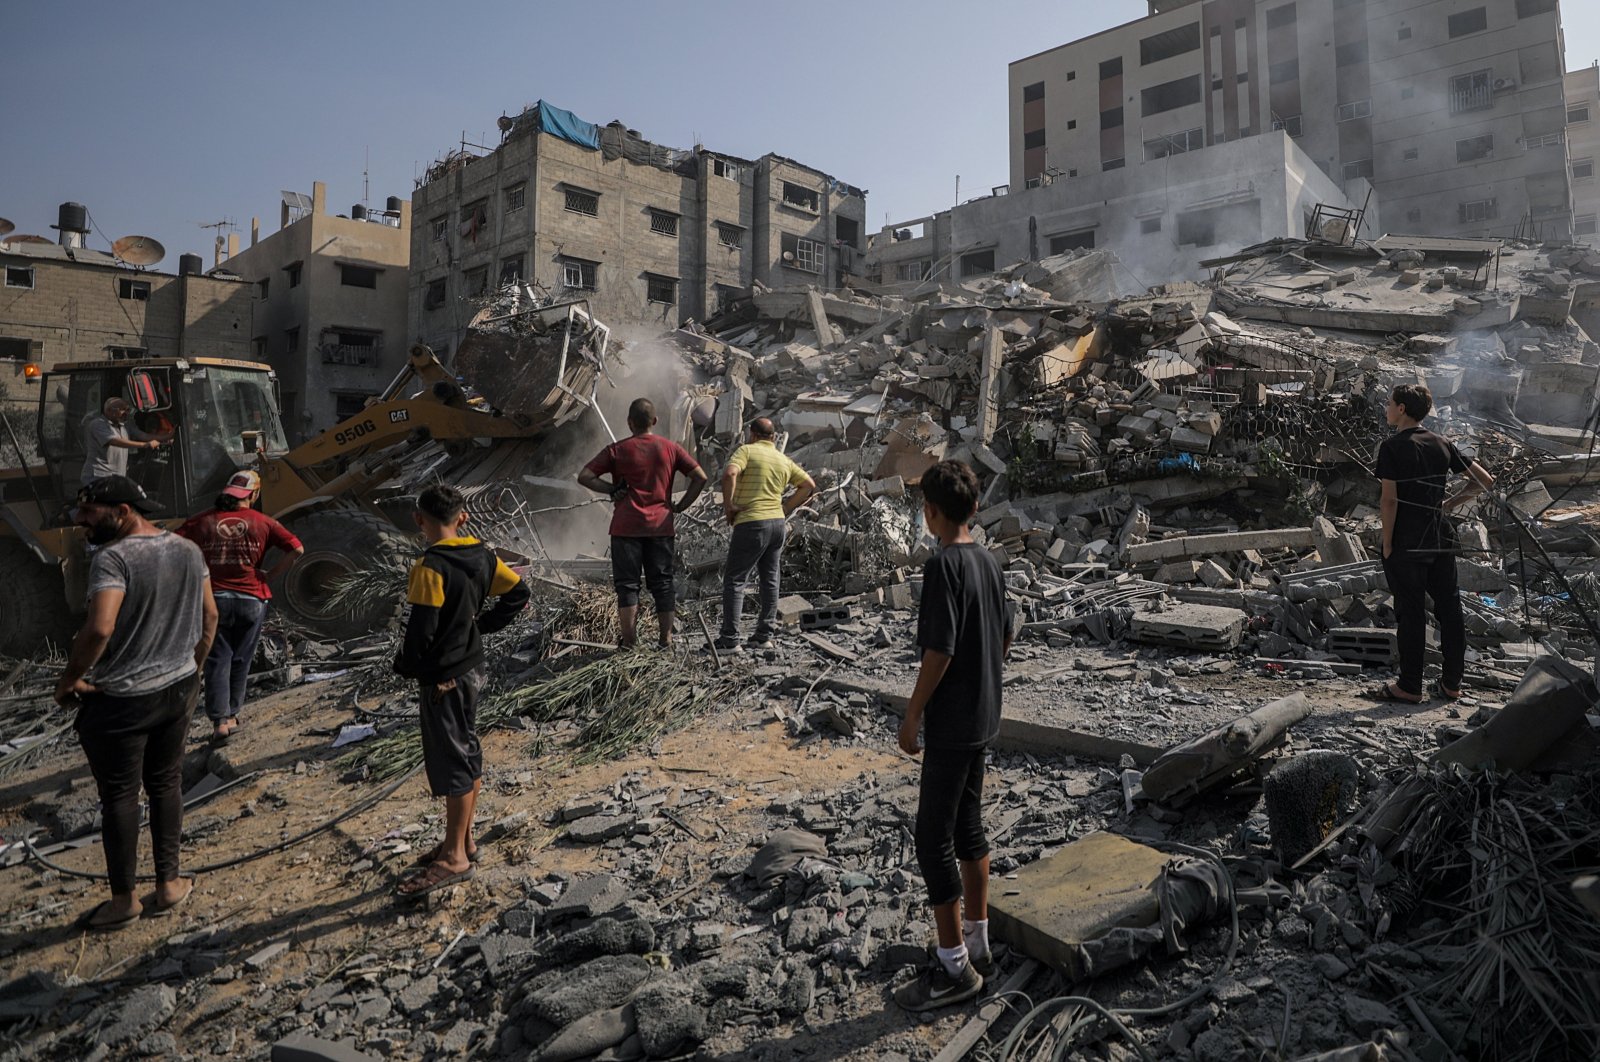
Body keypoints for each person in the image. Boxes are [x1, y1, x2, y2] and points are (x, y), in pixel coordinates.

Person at [53, 475, 217, 931]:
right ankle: (169, 884)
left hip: (123, 700)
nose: (81, 523)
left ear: (123, 512)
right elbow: (210, 617)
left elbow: (100, 628)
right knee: (166, 784)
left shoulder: (113, 558)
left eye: (90, 514)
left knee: (120, 797)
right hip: (177, 689)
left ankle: (124, 901)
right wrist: (193, 670)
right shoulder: (187, 549)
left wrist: (71, 678)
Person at [894, 460, 1009, 1012]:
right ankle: (979, 943)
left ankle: (953, 967)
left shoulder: (943, 567)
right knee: (968, 824)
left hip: (954, 721)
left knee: (931, 838)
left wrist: (914, 714)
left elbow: (939, 650)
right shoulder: (989, 562)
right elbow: (1004, 635)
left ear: (932, 512)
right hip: (985, 714)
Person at [393, 484, 530, 899]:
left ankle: (454, 857)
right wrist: (481, 628)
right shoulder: (485, 557)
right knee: (468, 751)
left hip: (443, 678)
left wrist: (405, 666)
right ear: (463, 516)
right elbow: (520, 593)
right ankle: (465, 840)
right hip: (472, 669)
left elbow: (422, 630)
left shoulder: (429, 566)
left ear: (420, 520)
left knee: (452, 760)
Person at [1370, 383, 1495, 704]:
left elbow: (1389, 501)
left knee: (1410, 612)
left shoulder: (1392, 447)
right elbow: (1485, 480)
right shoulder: (1443, 443)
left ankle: (1409, 686)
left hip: (1407, 541)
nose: (1386, 408)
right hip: (1439, 538)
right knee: (1450, 609)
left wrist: (1386, 543)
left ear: (1401, 409)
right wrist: (1448, 504)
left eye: (1389, 403)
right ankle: (1452, 684)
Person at [176, 470, 305, 740]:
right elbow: (297, 548)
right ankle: (233, 714)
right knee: (241, 659)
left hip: (214, 600)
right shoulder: (264, 522)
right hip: (252, 599)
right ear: (254, 495)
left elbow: (172, 547)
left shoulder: (201, 521)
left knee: (217, 659)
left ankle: (219, 722)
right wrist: (270, 574)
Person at [578, 399, 708, 648]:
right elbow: (700, 477)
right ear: (655, 421)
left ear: (629, 423)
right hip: (660, 526)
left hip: (626, 528)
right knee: (662, 583)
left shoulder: (617, 450)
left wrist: (611, 489)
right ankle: (665, 640)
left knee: (627, 586)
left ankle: (629, 643)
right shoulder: (670, 448)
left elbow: (585, 476)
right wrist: (680, 506)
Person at [716, 418, 816, 651]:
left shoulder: (746, 451)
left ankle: (730, 640)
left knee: (735, 579)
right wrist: (786, 508)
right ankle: (764, 637)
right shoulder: (782, 459)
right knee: (770, 580)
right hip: (777, 525)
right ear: (773, 438)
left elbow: (730, 474)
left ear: (752, 434)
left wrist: (729, 506)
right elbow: (809, 484)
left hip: (752, 523)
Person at [81, 397, 168, 485]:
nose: (126, 413)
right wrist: (145, 445)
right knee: (96, 498)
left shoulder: (125, 425)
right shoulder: (98, 424)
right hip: (97, 478)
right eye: (122, 410)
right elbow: (114, 441)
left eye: (127, 410)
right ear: (109, 411)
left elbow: (144, 436)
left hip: (117, 477)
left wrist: (168, 436)